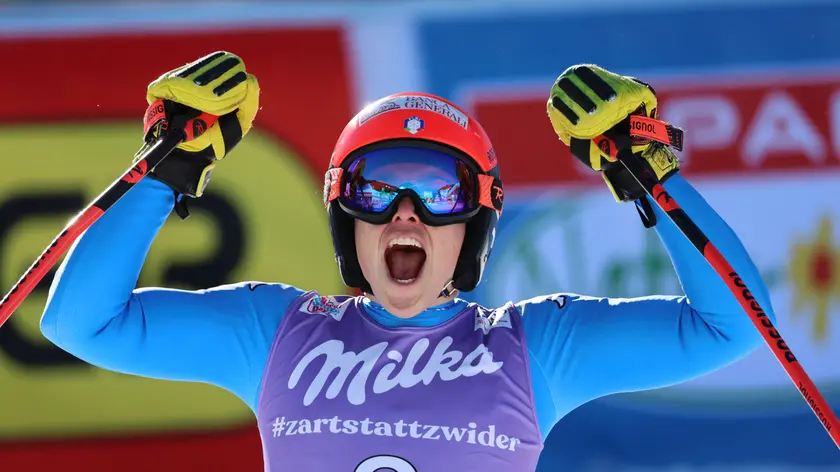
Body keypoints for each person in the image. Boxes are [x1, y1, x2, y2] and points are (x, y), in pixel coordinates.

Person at [40, 51, 775, 471]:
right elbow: (81, 324)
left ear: (476, 223)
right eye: (376, 187)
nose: (406, 214)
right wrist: (162, 172)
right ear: (344, 217)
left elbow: (734, 327)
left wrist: (654, 175)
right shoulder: (275, 332)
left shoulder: (534, 350)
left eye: (439, 192)